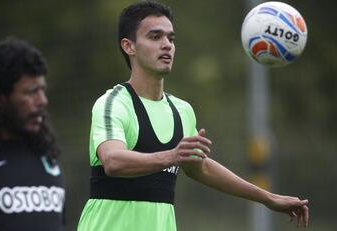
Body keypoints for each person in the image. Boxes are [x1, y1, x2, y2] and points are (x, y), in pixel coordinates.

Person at [77, 1, 309, 230]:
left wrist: (267, 198)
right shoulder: (113, 103)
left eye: (171, 38)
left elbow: (201, 168)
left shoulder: (182, 110)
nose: (166, 45)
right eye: (155, 37)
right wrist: (171, 156)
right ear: (129, 46)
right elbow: (113, 161)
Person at [0, 37, 65, 231]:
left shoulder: (49, 162)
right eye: (32, 92)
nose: (42, 101)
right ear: (0, 98)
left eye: (43, 90)